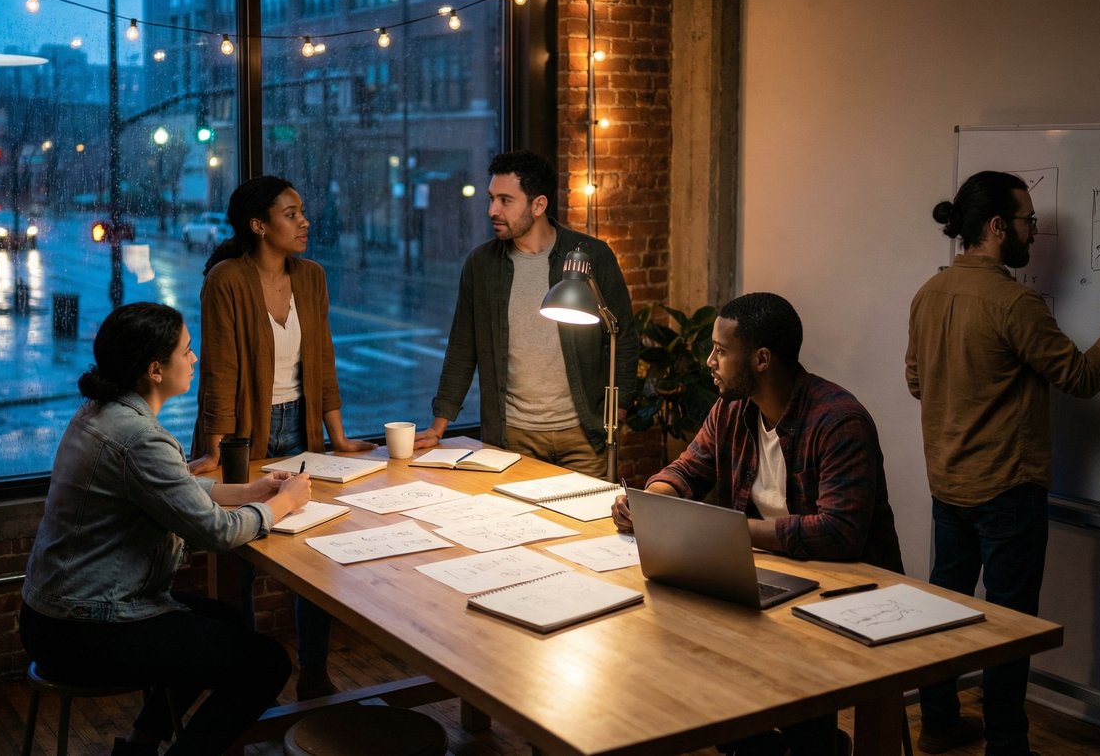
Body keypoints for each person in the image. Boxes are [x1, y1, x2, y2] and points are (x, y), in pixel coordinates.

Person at [906, 171, 1100, 756]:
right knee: (1010, 624)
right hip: (1007, 489)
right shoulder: (1016, 303)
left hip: (948, 482)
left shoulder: (929, 292)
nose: (1034, 232)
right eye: (1027, 221)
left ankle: (938, 723)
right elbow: (1086, 378)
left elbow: (917, 381)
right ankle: (1008, 745)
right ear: (997, 227)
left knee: (944, 608)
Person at [611, 292, 902, 756]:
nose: (710, 361)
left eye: (721, 351)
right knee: (681, 645)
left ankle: (813, 743)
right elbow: (687, 469)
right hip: (772, 577)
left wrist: (728, 530)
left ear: (761, 359)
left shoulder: (838, 421)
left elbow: (839, 533)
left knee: (768, 678)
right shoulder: (732, 410)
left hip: (849, 590)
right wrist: (651, 503)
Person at [20, 302, 311, 755]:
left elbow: (171, 489)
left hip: (51, 617)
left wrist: (252, 491)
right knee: (267, 663)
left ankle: (139, 744)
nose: (194, 359)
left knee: (224, 620)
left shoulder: (100, 413)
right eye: (186, 351)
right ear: (156, 369)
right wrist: (283, 505)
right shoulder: (140, 438)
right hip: (89, 631)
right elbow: (213, 533)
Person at [188, 175, 375, 700]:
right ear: (258, 225)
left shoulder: (311, 276)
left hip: (303, 430)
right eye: (290, 213)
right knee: (240, 556)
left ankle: (313, 672)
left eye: (301, 211)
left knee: (315, 556)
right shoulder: (226, 279)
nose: (304, 221)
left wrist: (337, 438)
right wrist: (216, 449)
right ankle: (247, 679)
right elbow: (219, 369)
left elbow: (323, 359)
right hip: (243, 434)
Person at [413, 149, 639, 479]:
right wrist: (439, 426)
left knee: (588, 527)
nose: (492, 210)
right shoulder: (481, 265)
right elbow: (463, 348)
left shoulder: (592, 257)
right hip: (513, 439)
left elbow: (622, 338)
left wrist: (615, 415)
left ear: (538, 205)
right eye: (491, 198)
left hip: (583, 436)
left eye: (506, 200)